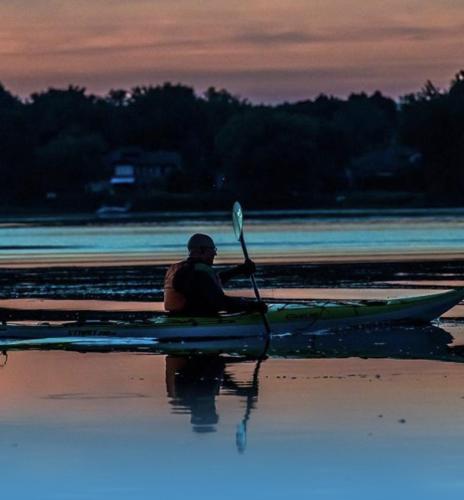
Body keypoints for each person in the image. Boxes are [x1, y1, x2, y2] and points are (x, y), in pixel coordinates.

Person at [164, 233, 268, 315]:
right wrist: (251, 305)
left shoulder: (179, 269)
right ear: (201, 250)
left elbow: (211, 284)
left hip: (179, 316)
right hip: (195, 321)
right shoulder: (199, 273)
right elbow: (220, 302)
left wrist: (239, 270)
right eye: (212, 249)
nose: (215, 253)